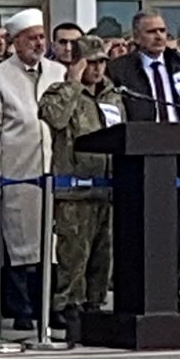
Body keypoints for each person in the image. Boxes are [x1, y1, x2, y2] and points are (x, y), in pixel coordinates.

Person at [0, 9, 65, 330]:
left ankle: (50, 306)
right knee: (18, 242)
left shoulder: (58, 71)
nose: (39, 43)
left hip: (52, 171)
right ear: (16, 42)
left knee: (51, 244)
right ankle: (22, 309)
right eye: (32, 38)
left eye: (42, 37)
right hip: (15, 173)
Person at [41, 35, 123, 331]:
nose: (98, 68)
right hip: (74, 190)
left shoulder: (113, 95)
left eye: (102, 62)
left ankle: (95, 303)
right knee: (74, 255)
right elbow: (55, 119)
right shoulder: (60, 92)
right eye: (91, 62)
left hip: (107, 187)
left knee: (103, 255)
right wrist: (73, 83)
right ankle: (66, 304)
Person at [107, 11, 180, 124]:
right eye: (151, 32)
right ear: (136, 37)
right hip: (142, 136)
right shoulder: (118, 69)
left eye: (162, 31)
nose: (159, 36)